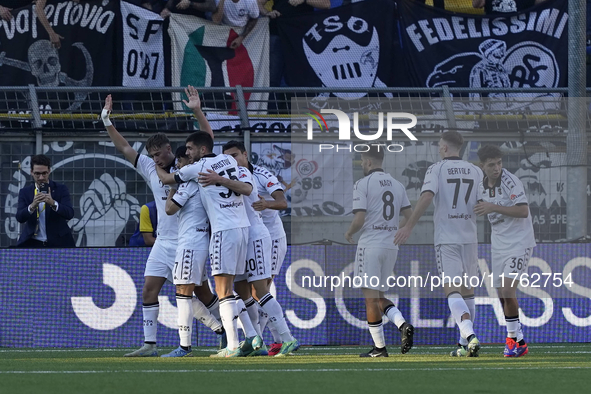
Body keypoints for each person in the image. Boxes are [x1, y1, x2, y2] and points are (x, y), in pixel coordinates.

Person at [101, 86, 222, 357]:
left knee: (200, 293)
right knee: (148, 290)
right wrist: (107, 120)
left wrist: (197, 110)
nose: (156, 159)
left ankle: (226, 329)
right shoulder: (148, 166)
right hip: (163, 242)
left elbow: (208, 140)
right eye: (152, 156)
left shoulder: (188, 166)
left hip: (189, 240)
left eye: (160, 154)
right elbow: (123, 147)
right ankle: (149, 345)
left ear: (169, 149)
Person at [157, 132, 252, 358]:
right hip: (233, 230)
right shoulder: (227, 160)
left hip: (195, 240)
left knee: (189, 291)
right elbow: (245, 187)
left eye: (187, 152)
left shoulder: (193, 176)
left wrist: (158, 170)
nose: (185, 156)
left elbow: (170, 207)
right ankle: (249, 334)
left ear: (198, 151)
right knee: (218, 291)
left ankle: (188, 346)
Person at [394, 131, 483, 357]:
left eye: (439, 145)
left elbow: (426, 197)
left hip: (447, 237)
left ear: (444, 148)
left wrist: (409, 226)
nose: (438, 148)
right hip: (470, 237)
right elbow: (482, 203)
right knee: (468, 291)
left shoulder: (436, 169)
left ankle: (469, 335)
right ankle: (464, 345)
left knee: (451, 289)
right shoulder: (475, 170)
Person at [222, 140, 299, 357]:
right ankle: (258, 339)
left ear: (246, 154)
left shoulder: (262, 175)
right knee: (245, 291)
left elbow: (282, 202)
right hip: (244, 236)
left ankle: (279, 339)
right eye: (228, 157)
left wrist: (266, 204)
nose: (233, 160)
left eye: (236, 155)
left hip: (270, 236)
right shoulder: (228, 177)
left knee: (260, 289)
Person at [344, 146, 414, 358]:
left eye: (362, 162)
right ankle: (402, 324)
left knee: (370, 299)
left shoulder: (362, 184)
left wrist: (349, 232)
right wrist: (396, 229)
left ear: (367, 161)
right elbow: (409, 215)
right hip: (390, 246)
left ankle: (380, 348)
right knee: (379, 296)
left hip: (370, 244)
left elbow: (359, 219)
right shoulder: (397, 184)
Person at [160, 145, 225, 358]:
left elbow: (169, 209)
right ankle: (224, 329)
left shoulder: (189, 184)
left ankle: (185, 346)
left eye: (180, 161)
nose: (177, 166)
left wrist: (172, 187)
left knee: (183, 293)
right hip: (199, 241)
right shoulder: (202, 180)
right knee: (201, 292)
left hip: (191, 243)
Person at [474, 145, 534, 357]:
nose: (497, 168)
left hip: (519, 242)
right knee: (501, 294)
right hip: (498, 244)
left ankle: (510, 341)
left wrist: (492, 207)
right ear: (482, 166)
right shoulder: (479, 185)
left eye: (499, 163)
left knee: (508, 291)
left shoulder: (511, 181)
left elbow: (523, 210)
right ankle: (520, 341)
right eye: (491, 164)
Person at [16, 154, 75, 248]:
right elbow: (20, 217)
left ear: (49, 171)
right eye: (37, 174)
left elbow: (70, 213)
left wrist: (53, 204)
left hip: (59, 241)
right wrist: (32, 206)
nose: (41, 177)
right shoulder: (25, 192)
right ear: (31, 172)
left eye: (44, 173)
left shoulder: (61, 189)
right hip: (33, 241)